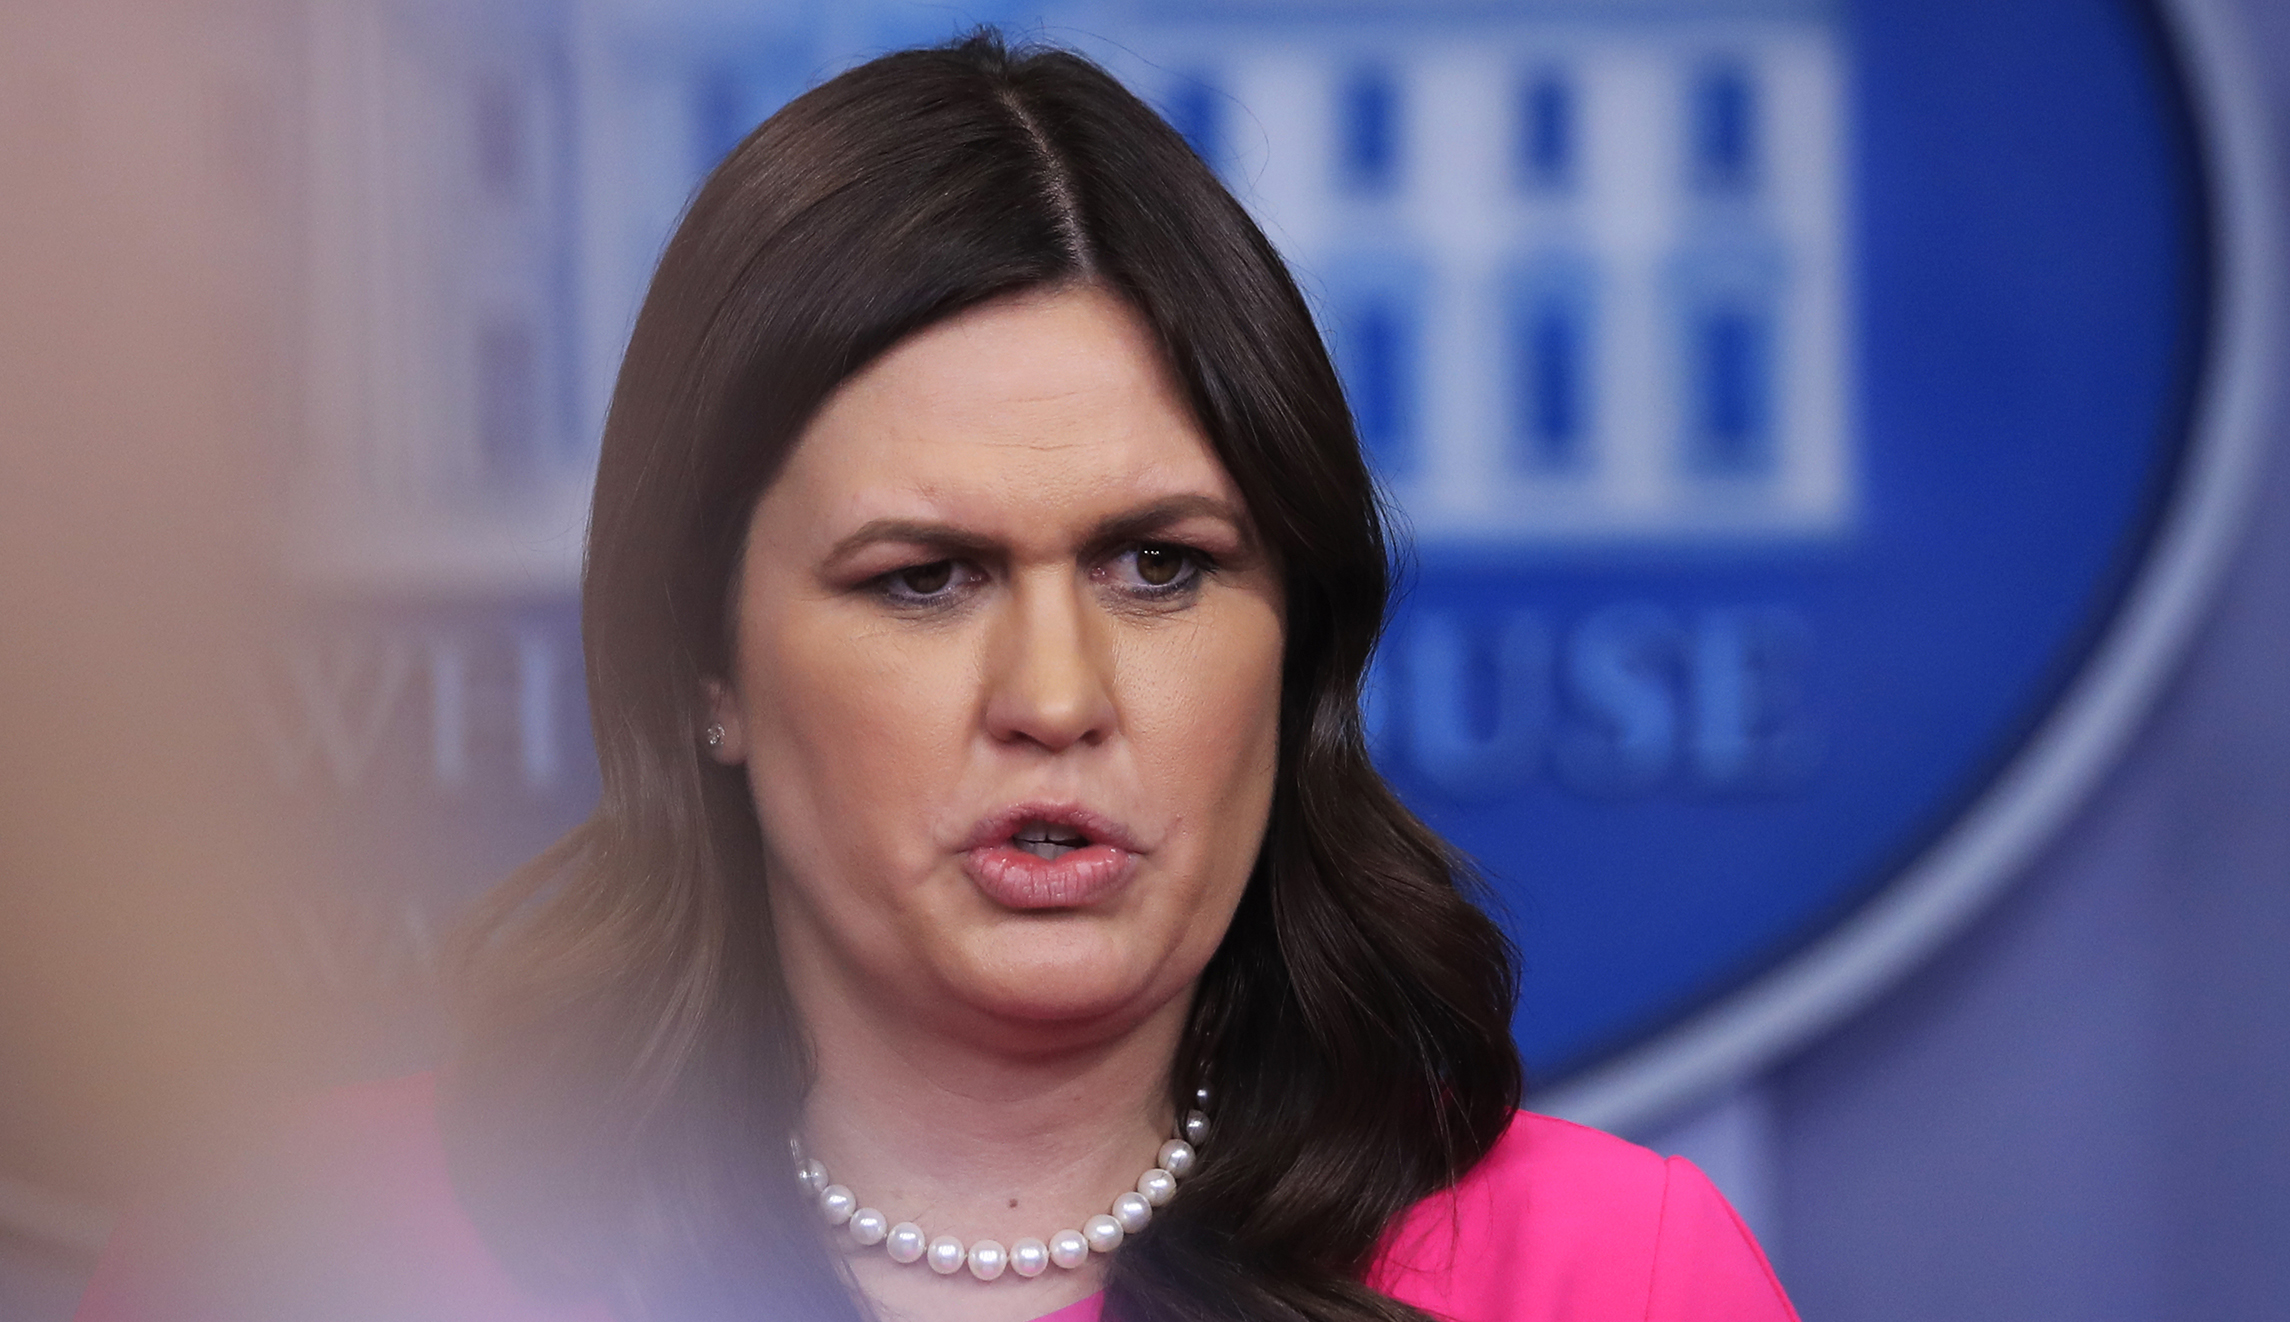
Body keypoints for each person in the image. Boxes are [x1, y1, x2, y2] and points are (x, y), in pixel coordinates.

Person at [77, 31, 1795, 1322]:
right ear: (702, 665)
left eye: (1159, 564)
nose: (1054, 692)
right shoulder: (292, 1258)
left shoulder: (1604, 1275)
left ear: (1298, 636)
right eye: (925, 577)